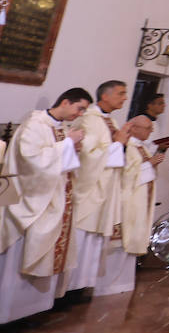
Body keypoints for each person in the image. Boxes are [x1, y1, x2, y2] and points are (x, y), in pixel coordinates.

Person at [0, 88, 90, 324]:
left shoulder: (60, 128)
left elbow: (59, 161)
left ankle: (32, 310)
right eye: (79, 108)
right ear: (65, 101)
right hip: (33, 202)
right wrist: (68, 144)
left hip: (56, 201)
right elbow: (30, 160)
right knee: (26, 253)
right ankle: (9, 315)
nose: (79, 114)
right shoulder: (34, 124)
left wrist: (71, 147)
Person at [62, 80, 130, 297]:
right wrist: (119, 144)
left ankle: (81, 287)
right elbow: (87, 157)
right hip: (89, 191)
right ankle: (67, 290)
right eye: (120, 93)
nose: (125, 98)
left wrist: (121, 144)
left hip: (104, 192)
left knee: (93, 243)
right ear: (105, 96)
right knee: (80, 240)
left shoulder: (110, 121)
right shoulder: (89, 119)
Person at [119, 117, 161, 258]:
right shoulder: (127, 147)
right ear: (134, 128)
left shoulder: (141, 147)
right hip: (131, 197)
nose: (152, 131)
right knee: (130, 230)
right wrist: (150, 164)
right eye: (148, 128)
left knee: (140, 227)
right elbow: (126, 174)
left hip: (143, 197)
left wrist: (152, 164)